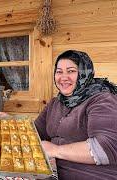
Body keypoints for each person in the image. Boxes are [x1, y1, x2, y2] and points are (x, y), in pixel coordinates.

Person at [34, 50, 117, 179]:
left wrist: (56, 150)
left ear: (84, 73)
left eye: (71, 71)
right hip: (56, 173)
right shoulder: (56, 103)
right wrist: (8, 122)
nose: (63, 77)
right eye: (59, 71)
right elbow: (34, 133)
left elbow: (106, 149)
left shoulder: (102, 99)